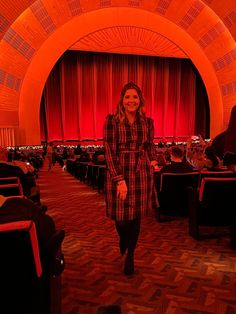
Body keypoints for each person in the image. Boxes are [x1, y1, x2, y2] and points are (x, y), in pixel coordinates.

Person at [103, 81, 159, 276]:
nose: (131, 100)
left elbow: (149, 146)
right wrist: (119, 179)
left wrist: (152, 161)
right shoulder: (112, 121)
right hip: (119, 171)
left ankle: (131, 256)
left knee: (135, 218)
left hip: (141, 173)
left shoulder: (148, 122)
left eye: (135, 97)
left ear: (140, 100)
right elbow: (109, 152)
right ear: (122, 99)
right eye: (128, 97)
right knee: (121, 218)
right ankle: (123, 239)